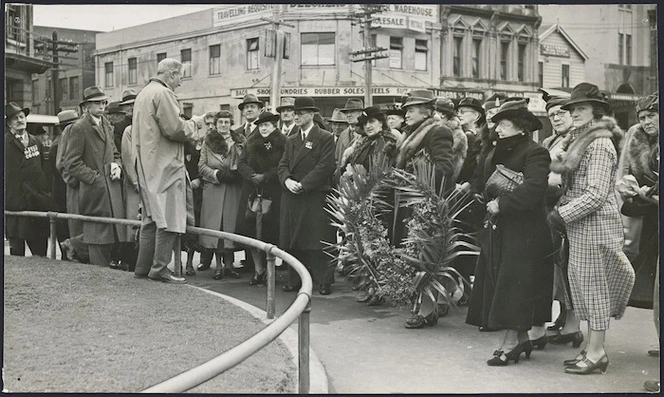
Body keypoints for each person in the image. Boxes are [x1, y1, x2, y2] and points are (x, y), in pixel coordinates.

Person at [549, 82, 635, 374]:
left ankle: (597, 352)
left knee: (594, 289)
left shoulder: (598, 142)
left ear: (597, 112)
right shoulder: (583, 140)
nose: (573, 112)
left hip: (594, 225)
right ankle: (591, 348)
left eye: (581, 108)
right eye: (572, 108)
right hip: (582, 225)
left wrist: (563, 215)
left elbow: (597, 194)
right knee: (584, 287)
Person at [465, 99, 553, 366]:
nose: (499, 130)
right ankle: (522, 337)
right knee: (507, 282)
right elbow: (484, 182)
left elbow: (535, 188)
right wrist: (482, 198)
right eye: (498, 125)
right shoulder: (496, 152)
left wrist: (502, 203)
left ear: (521, 128)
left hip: (525, 230)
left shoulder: (535, 152)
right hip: (500, 227)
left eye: (504, 125)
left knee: (515, 284)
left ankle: (512, 342)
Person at [133, 58, 205, 284]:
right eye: (179, 78)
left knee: (150, 217)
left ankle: (142, 268)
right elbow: (175, 128)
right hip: (165, 165)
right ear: (172, 74)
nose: (180, 83)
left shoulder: (143, 93)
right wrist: (194, 123)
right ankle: (160, 268)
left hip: (147, 163)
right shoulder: (164, 94)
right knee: (170, 216)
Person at [393, 89, 455, 328]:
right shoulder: (412, 133)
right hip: (413, 202)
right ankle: (435, 302)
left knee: (426, 256)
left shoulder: (438, 132)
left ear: (427, 111)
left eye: (411, 109)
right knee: (419, 254)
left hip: (428, 204)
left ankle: (428, 310)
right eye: (407, 109)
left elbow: (445, 168)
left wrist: (418, 180)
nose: (406, 114)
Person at [63, 86, 128, 267]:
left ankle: (73, 245)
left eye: (104, 102)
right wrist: (95, 179)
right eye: (97, 103)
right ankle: (75, 248)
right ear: (86, 107)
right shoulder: (79, 128)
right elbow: (71, 163)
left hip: (111, 189)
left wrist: (117, 165)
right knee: (98, 237)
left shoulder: (105, 123)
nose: (102, 106)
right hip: (95, 191)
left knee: (109, 235)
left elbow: (114, 152)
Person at [278, 96, 337, 295]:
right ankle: (295, 278)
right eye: (295, 113)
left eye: (300, 113)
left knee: (318, 240)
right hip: (293, 195)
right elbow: (283, 164)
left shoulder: (325, 137)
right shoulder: (292, 139)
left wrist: (303, 185)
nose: (296, 117)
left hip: (314, 195)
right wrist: (286, 180)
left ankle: (323, 280)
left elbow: (325, 167)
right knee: (295, 240)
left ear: (311, 115)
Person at [539, 90, 583, 347]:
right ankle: (563, 318)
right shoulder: (549, 141)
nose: (555, 118)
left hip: (567, 210)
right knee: (558, 267)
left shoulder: (577, 140)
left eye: (560, 113)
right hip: (549, 209)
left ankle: (573, 325)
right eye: (551, 114)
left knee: (569, 267)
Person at [617, 93, 658, 309]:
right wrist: (627, 189)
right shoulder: (637, 137)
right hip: (647, 215)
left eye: (652, 116)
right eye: (642, 118)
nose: (646, 122)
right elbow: (623, 170)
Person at [236, 111, 287, 284]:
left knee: (271, 233)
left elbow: (283, 165)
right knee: (251, 231)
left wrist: (265, 176)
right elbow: (240, 163)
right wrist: (252, 176)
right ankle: (258, 270)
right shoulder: (251, 142)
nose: (263, 128)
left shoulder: (283, 143)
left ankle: (269, 271)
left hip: (274, 192)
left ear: (274, 126)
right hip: (252, 192)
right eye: (261, 125)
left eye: (267, 125)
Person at [198, 110, 245, 280]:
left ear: (231, 123)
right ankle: (218, 266)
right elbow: (201, 166)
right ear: (216, 124)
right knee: (215, 227)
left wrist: (237, 174)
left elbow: (245, 162)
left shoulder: (239, 141)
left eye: (226, 122)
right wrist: (217, 175)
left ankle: (230, 265)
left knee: (230, 225)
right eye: (220, 122)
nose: (223, 125)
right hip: (214, 190)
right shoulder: (208, 142)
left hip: (233, 189)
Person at [5, 102, 51, 257]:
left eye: (21, 116)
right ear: (8, 123)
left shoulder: (35, 141)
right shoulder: (5, 144)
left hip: (36, 204)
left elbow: (43, 170)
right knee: (17, 255)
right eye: (15, 118)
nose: (19, 120)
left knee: (40, 255)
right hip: (15, 205)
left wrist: (45, 196)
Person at [49, 109, 79, 258]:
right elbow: (59, 171)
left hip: (67, 190)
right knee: (65, 228)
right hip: (63, 192)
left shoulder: (66, 141)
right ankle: (66, 254)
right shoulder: (57, 145)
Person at [338, 106, 397, 173]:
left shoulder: (387, 142)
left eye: (371, 121)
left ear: (381, 123)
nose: (368, 126)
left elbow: (383, 171)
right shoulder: (363, 143)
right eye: (365, 123)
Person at [434, 97, 468, 182]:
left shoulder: (458, 135)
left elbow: (451, 167)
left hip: (442, 184)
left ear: (442, 114)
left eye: (434, 112)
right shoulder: (436, 130)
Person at [456, 97, 487, 184]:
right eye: (458, 112)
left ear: (476, 115)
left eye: (463, 112)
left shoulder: (481, 137)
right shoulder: (460, 133)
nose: (459, 115)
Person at [335, 98, 364, 163]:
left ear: (360, 113)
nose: (348, 115)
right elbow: (337, 158)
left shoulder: (365, 134)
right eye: (346, 112)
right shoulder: (342, 134)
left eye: (352, 112)